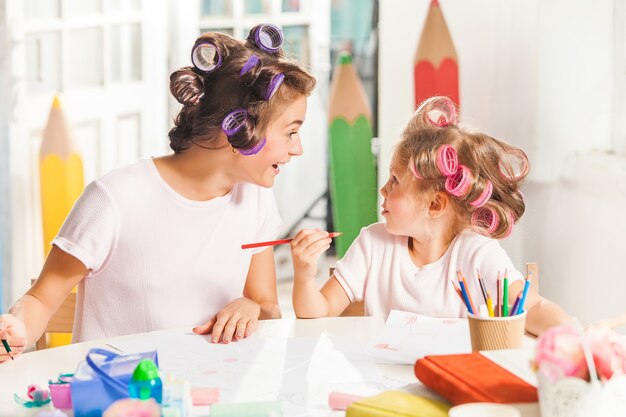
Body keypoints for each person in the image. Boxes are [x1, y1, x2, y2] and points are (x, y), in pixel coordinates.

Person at [0, 24, 316, 362]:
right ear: (237, 131)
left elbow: (267, 306)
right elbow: (41, 300)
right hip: (120, 399)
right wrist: (15, 328)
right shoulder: (115, 199)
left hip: (208, 394)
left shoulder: (255, 198)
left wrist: (249, 305)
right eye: (291, 132)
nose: (297, 149)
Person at [291, 96, 569, 336]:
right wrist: (304, 275)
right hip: (383, 386)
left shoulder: (477, 254)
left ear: (435, 205)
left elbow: (533, 307)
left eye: (396, 181)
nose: (384, 189)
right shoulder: (372, 243)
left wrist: (571, 334)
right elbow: (318, 312)